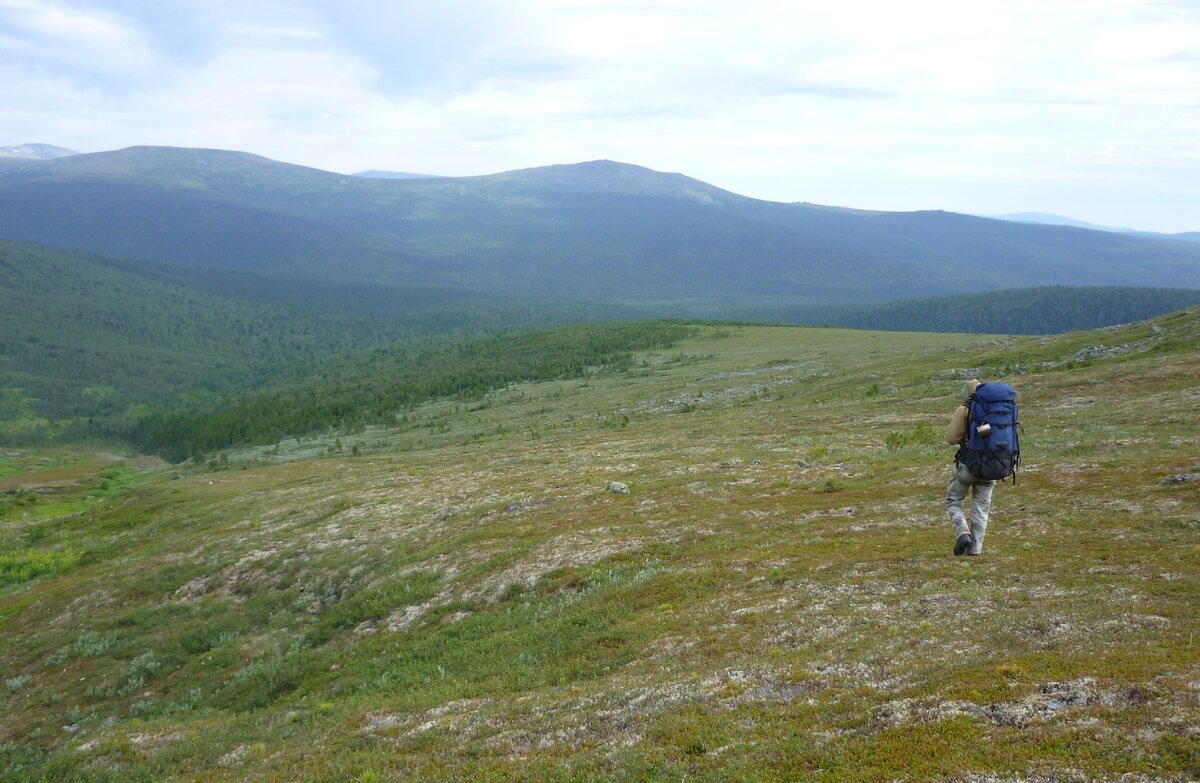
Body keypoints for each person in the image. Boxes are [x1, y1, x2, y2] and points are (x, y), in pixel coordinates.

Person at [944, 379, 994, 556]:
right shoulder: (994, 410)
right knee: (981, 508)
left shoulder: (964, 409)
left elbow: (951, 438)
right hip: (991, 466)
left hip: (968, 465)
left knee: (953, 500)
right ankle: (975, 550)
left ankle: (963, 534)